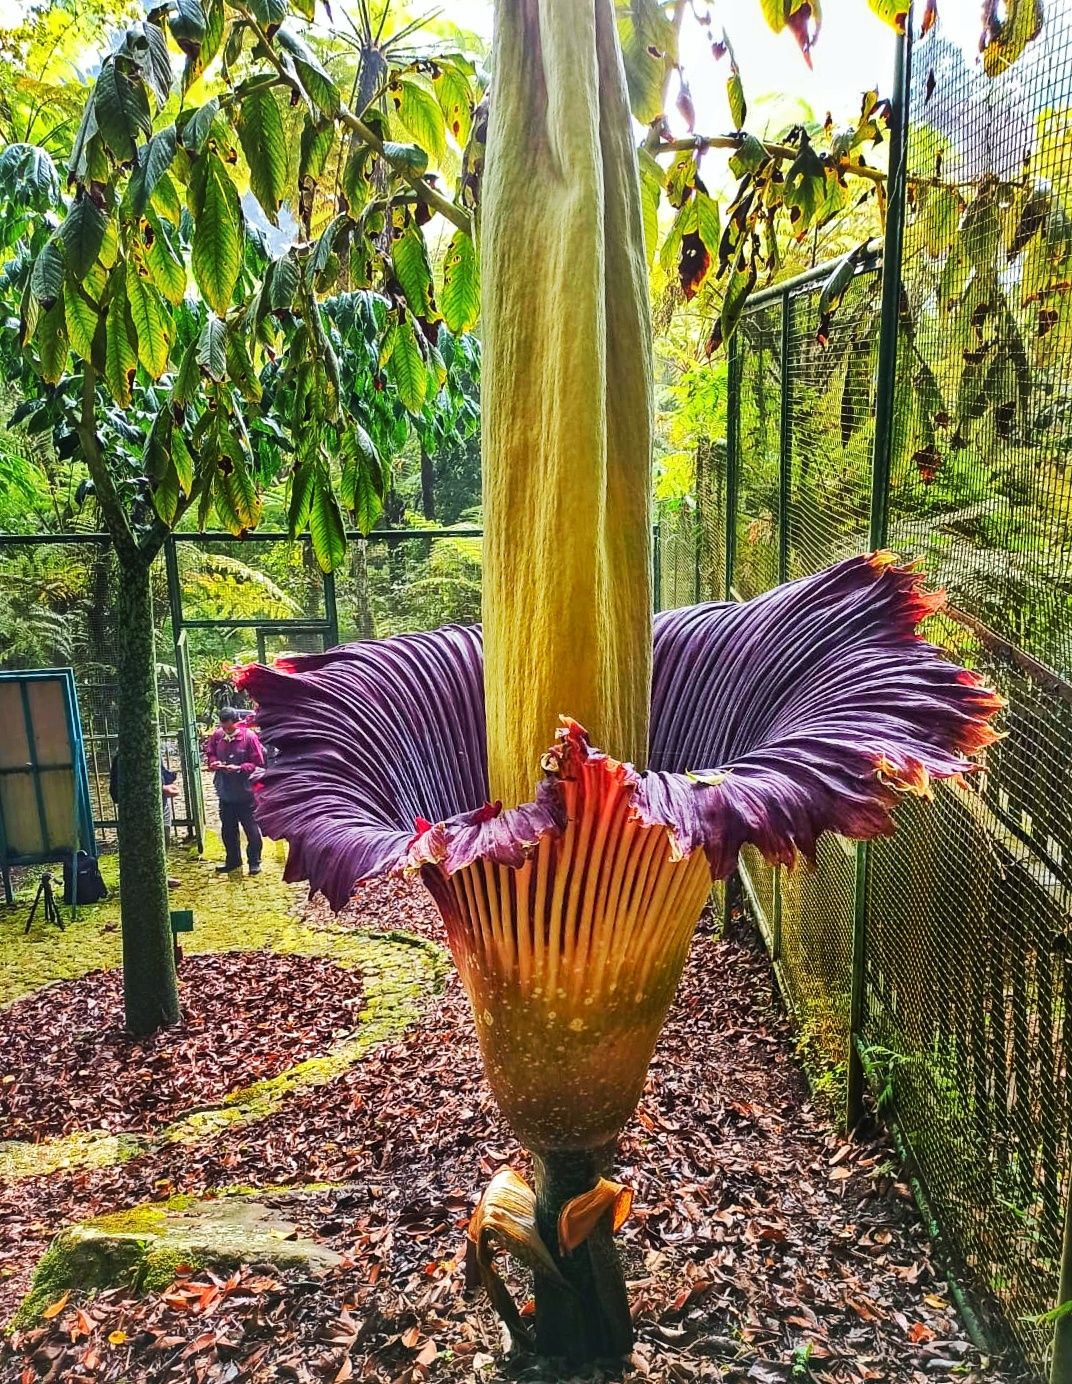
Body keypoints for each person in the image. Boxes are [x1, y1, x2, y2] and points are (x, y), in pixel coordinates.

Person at [204, 708, 266, 876]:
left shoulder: (249, 738)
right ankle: (233, 860)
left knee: (252, 830)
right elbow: (210, 753)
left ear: (236, 722)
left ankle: (254, 861)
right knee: (228, 830)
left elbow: (258, 763)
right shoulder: (217, 736)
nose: (226, 730)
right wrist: (214, 762)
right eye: (223, 726)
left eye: (229, 727)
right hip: (225, 792)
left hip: (246, 793)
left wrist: (239, 768)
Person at [109, 754, 181, 889]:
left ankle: (161, 875)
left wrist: (168, 781)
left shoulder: (153, 752)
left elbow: (160, 773)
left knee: (164, 839)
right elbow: (122, 789)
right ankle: (141, 880)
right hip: (139, 810)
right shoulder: (123, 756)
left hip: (162, 805)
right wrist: (161, 789)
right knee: (143, 844)